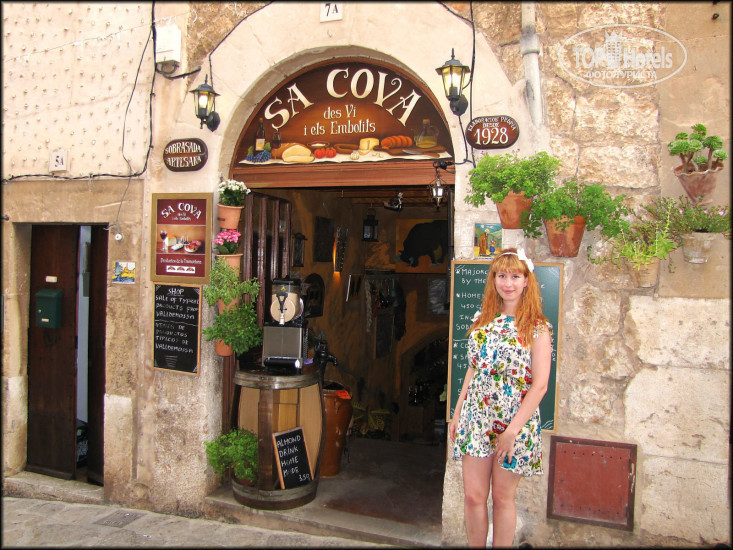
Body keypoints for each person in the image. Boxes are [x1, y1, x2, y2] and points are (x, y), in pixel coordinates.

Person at [449, 247, 552, 548]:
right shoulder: (483, 320)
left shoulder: (537, 328)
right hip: (477, 418)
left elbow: (540, 386)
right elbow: (473, 369)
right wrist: (457, 413)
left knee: (503, 498)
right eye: (502, 276)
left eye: (515, 276)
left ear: (526, 281)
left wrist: (511, 432)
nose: (508, 283)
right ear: (493, 280)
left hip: (514, 423)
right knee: (473, 496)